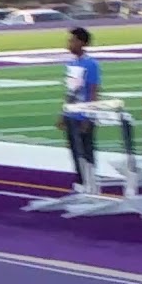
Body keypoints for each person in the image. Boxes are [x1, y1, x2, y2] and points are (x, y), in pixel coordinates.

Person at [60, 27, 101, 189]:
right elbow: (71, 91)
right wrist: (63, 113)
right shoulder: (72, 64)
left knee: (86, 149)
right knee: (75, 151)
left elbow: (93, 90)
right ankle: (81, 180)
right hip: (72, 114)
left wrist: (89, 115)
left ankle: (90, 181)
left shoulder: (90, 64)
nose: (69, 44)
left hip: (83, 114)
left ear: (82, 43)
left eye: (73, 40)